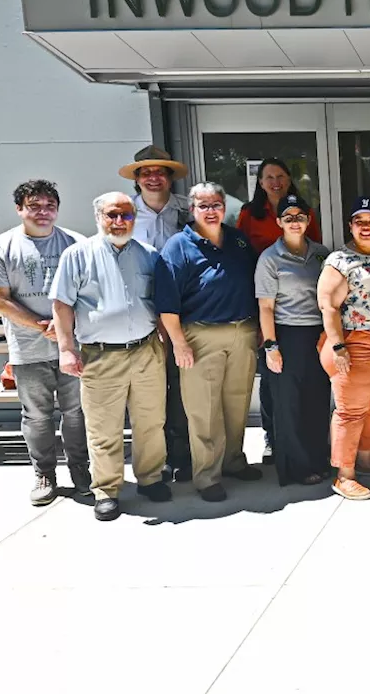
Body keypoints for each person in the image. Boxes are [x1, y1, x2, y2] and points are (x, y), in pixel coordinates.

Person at [50, 192, 171, 521]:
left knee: (151, 422)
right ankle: (107, 489)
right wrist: (65, 349)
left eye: (127, 216)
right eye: (112, 215)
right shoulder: (77, 255)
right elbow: (61, 305)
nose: (120, 222)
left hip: (146, 351)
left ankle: (150, 478)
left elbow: (158, 303)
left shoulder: (149, 255)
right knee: (104, 427)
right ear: (99, 217)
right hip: (100, 356)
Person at [0, 179, 89, 505]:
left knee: (76, 412)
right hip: (27, 350)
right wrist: (43, 326)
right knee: (37, 416)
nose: (42, 212)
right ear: (19, 209)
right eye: (34, 206)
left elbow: (91, 291)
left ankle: (81, 470)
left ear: (57, 208)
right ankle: (45, 473)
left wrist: (66, 323)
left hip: (73, 347)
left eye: (49, 205)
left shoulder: (75, 243)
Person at [155, 182, 263, 503]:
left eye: (216, 204)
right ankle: (207, 475)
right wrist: (179, 344)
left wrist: (257, 325)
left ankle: (233, 460)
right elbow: (167, 305)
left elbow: (255, 284)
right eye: (204, 205)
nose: (211, 210)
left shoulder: (239, 240)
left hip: (242, 331)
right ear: (192, 210)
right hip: (199, 336)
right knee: (204, 409)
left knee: (237, 401)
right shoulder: (178, 246)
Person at [237, 158, 323, 465]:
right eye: (269, 177)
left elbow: (315, 256)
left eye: (280, 176)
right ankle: (274, 438)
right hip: (266, 299)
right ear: (260, 182)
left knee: (305, 388)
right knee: (275, 383)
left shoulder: (302, 214)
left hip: (299, 299)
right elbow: (241, 252)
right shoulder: (250, 214)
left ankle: (307, 447)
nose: (275, 181)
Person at [317, 197, 370, 501]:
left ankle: (365, 460)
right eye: (359, 222)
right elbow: (327, 305)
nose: (366, 227)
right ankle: (345, 475)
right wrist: (338, 346)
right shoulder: (339, 261)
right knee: (351, 411)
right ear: (350, 226)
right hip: (355, 343)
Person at [120, 144, 192, 480]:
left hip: (183, 312)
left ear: (169, 177)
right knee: (149, 391)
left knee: (180, 387)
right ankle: (155, 457)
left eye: (159, 171)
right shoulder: (123, 214)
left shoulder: (187, 210)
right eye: (146, 172)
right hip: (143, 316)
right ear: (137, 179)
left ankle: (182, 455)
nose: (153, 177)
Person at [255, 194, 332, 486]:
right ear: (279, 223)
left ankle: (318, 459)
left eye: (300, 216)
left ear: (308, 220)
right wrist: (272, 346)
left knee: (316, 400)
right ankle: (297, 468)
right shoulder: (270, 259)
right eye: (288, 218)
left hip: (318, 334)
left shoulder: (322, 254)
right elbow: (266, 307)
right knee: (289, 406)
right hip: (286, 335)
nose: (295, 222)